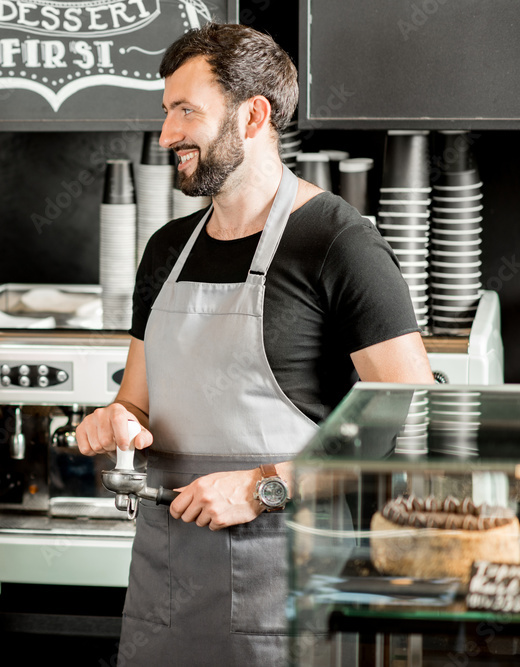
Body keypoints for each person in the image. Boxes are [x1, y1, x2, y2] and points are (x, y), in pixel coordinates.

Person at [75, 24, 434, 665]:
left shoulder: (340, 242)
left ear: (254, 115)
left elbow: (392, 425)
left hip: (286, 591)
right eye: (166, 112)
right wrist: (117, 424)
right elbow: (136, 402)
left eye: (187, 111)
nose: (166, 136)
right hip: (168, 585)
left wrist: (260, 487)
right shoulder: (166, 250)